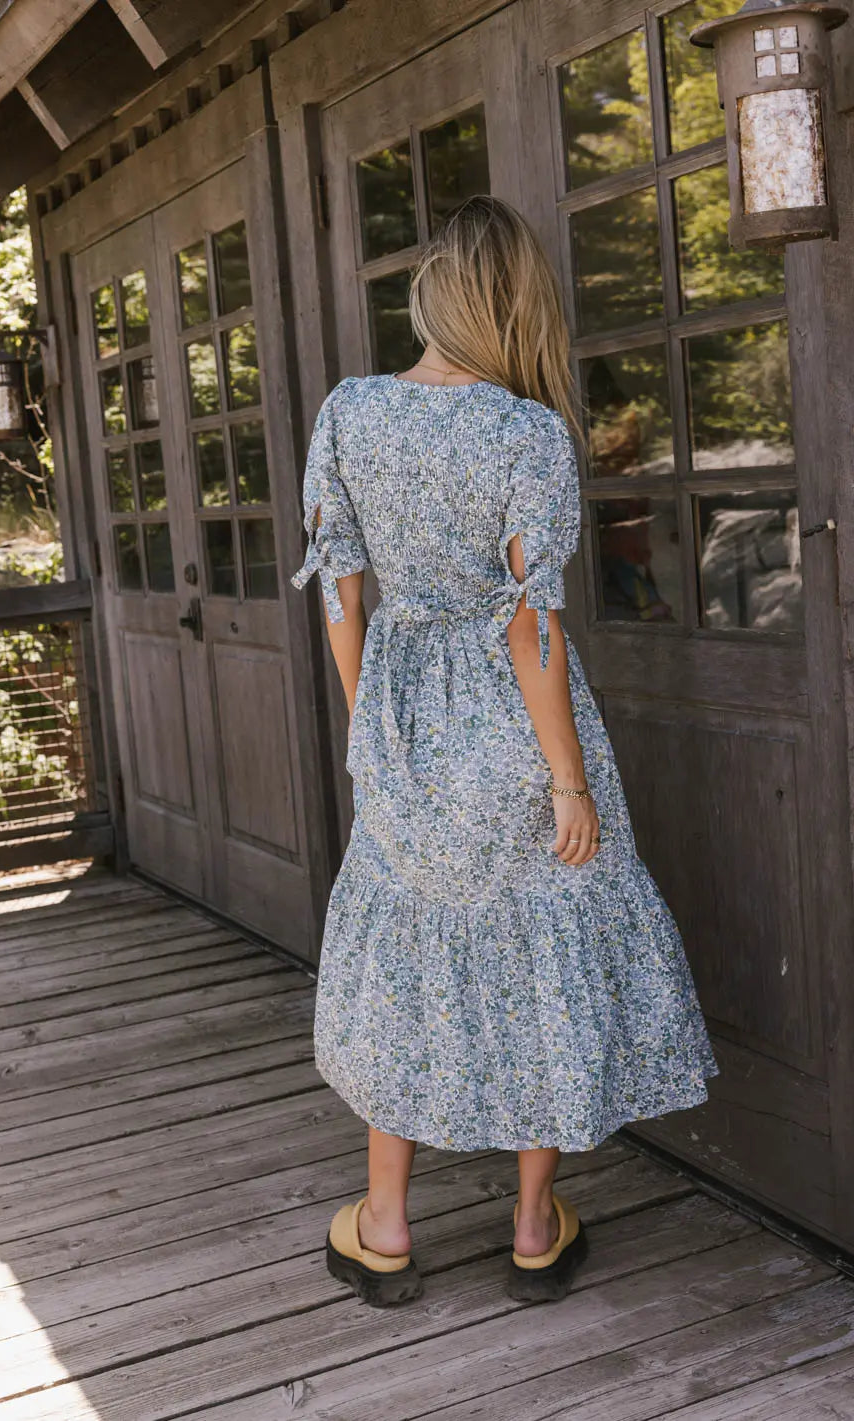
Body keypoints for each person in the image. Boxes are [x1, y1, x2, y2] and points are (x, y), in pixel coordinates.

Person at [290, 194, 719, 1307]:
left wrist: (366, 720)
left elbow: (338, 587)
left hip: (401, 706)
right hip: (513, 720)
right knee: (545, 949)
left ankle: (383, 1223)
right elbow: (532, 621)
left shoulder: (349, 412)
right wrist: (568, 778)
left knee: (407, 946)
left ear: (434, 291)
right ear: (519, 303)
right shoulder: (524, 430)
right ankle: (534, 1224)